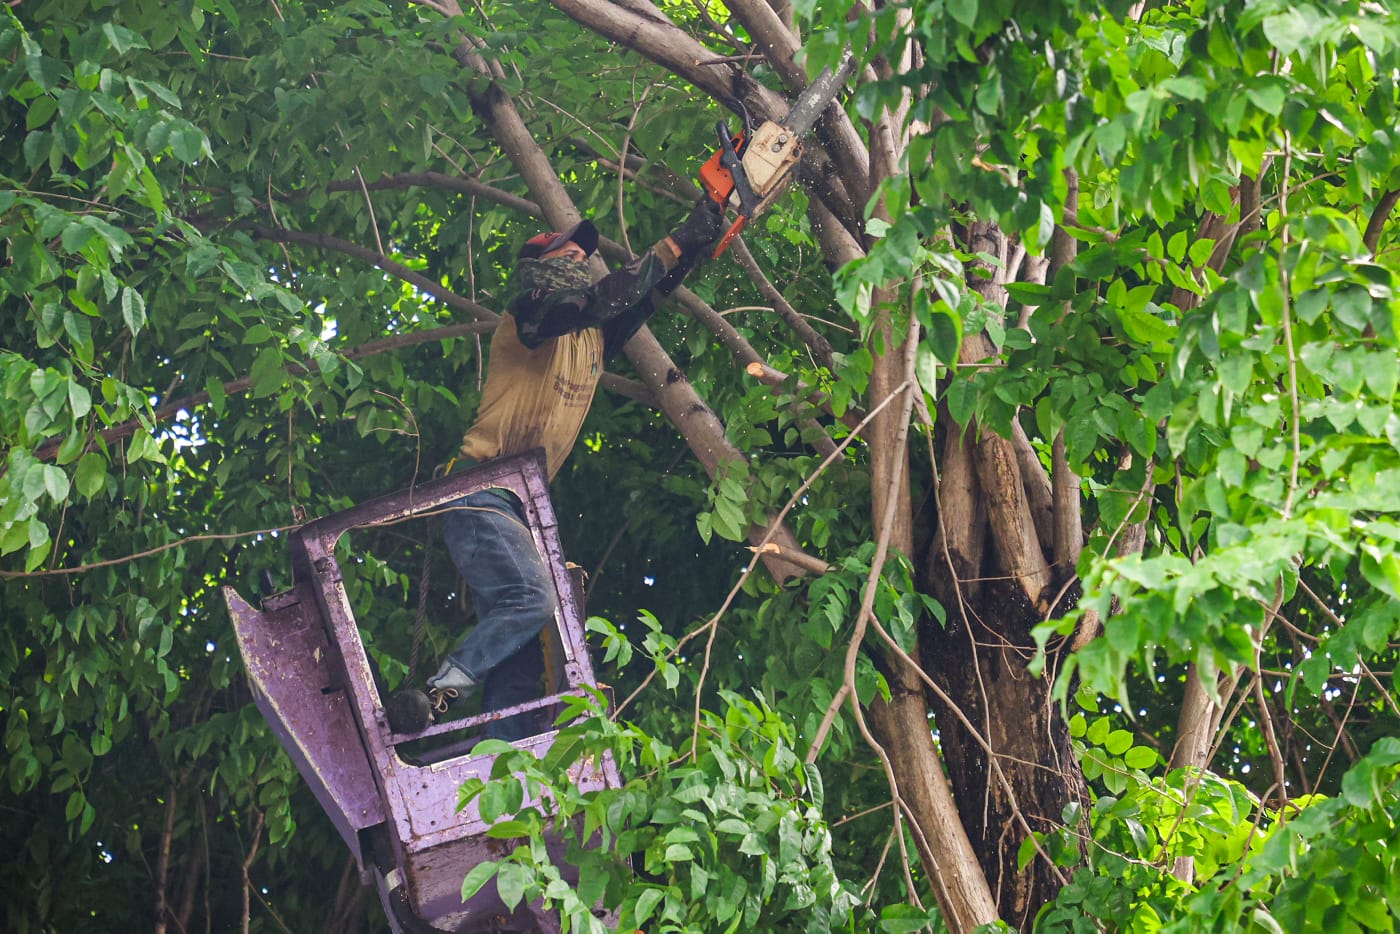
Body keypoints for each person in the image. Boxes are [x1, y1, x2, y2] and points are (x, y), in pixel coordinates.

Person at [385, 200, 723, 740]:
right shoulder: (532, 314)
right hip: (481, 489)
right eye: (576, 253)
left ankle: (505, 762)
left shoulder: (592, 338)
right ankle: (438, 693)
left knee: (524, 647)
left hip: (516, 508)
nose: (588, 261)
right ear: (544, 265)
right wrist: (676, 240)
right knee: (535, 599)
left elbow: (643, 296)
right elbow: (599, 299)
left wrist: (702, 236)